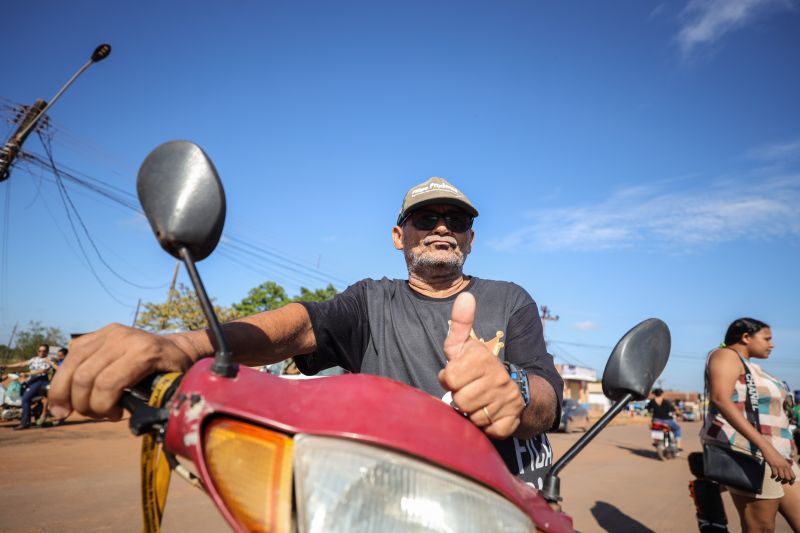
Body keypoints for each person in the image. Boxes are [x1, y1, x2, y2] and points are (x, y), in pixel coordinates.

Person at [49, 177, 563, 486]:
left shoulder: (510, 298)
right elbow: (297, 326)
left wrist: (513, 391)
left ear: (471, 239)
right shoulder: (370, 300)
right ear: (397, 235)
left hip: (496, 492)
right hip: (390, 497)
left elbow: (547, 396)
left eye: (456, 219)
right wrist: (179, 346)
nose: (442, 227)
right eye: (426, 217)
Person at [700, 318, 799, 532]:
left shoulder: (754, 368)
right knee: (761, 528)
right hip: (752, 454)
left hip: (780, 456)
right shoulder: (726, 356)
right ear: (746, 337)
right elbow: (720, 398)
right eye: (767, 339)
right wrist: (767, 449)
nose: (771, 345)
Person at [4, 343, 56, 430]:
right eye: (40, 351)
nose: (41, 352)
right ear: (37, 351)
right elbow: (22, 364)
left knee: (25, 399)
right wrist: (6, 366)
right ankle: (32, 413)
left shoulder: (48, 360)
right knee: (21, 395)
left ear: (47, 352)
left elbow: (42, 371)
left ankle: (25, 423)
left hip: (40, 381)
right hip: (32, 381)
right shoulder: (34, 359)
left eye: (44, 351)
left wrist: (26, 373)